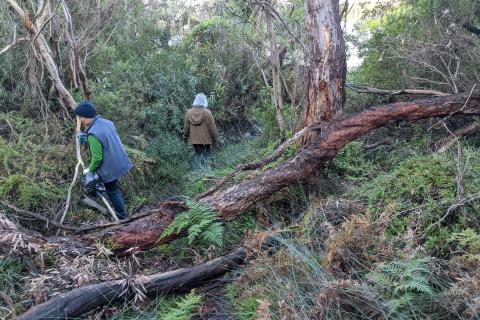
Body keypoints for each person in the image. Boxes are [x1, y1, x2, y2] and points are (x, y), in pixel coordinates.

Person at [74, 100, 132, 220]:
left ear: (86, 116)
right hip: (120, 160)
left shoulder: (93, 134)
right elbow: (104, 139)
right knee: (113, 188)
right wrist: (85, 138)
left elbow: (97, 158)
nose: (79, 120)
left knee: (112, 191)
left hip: (110, 166)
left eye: (80, 117)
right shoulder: (107, 123)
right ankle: (120, 213)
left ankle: (122, 217)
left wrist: (88, 170)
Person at [183, 93, 219, 171]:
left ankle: (197, 171)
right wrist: (216, 139)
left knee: (199, 154)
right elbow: (213, 128)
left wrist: (185, 138)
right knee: (206, 156)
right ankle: (205, 172)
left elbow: (186, 128)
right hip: (206, 140)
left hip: (195, 141)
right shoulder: (207, 112)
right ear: (204, 101)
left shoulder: (188, 112)